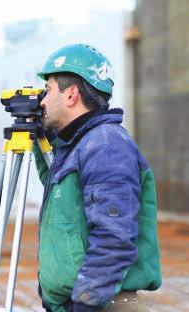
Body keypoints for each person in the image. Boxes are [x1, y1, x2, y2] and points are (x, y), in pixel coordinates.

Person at [33, 44, 161, 312]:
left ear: (71, 94)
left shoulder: (106, 145)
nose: (42, 100)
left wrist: (86, 303)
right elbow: (61, 195)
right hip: (82, 302)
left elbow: (114, 236)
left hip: (103, 305)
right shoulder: (80, 146)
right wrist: (38, 136)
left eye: (48, 90)